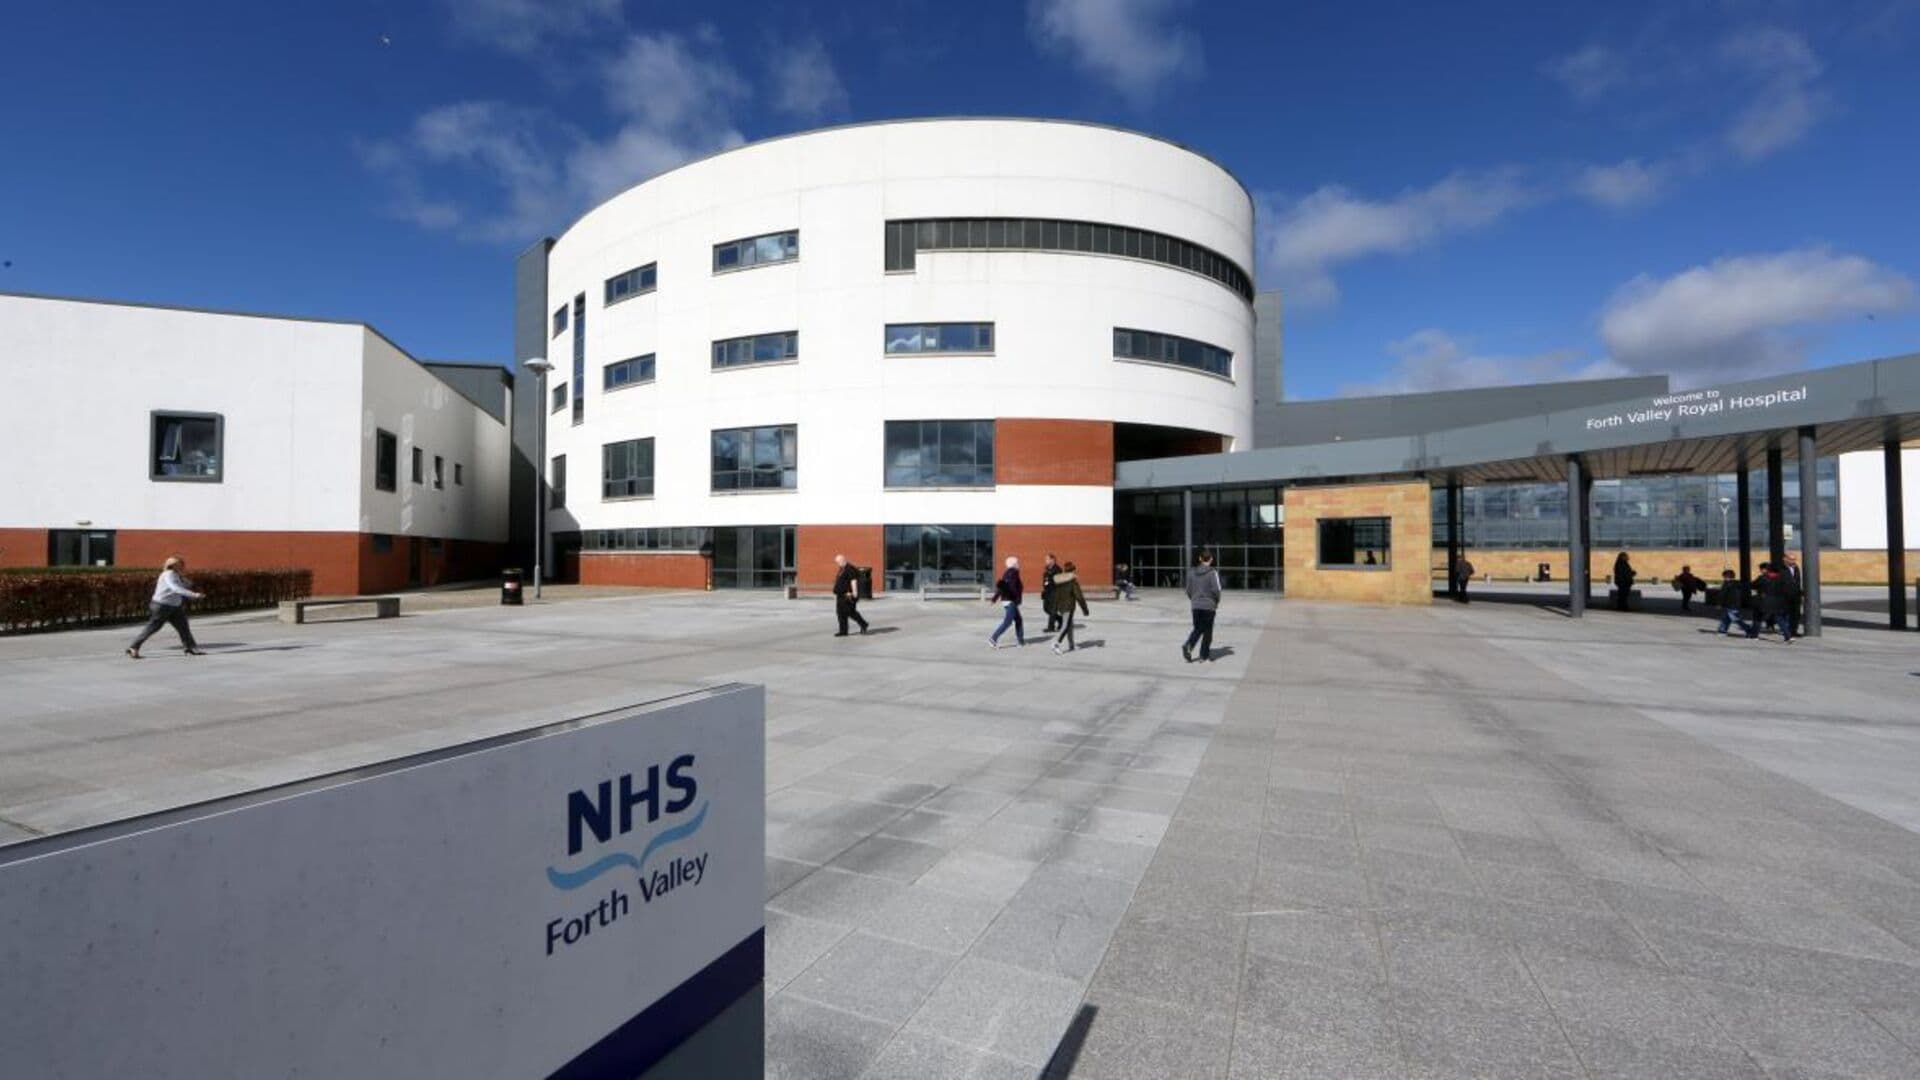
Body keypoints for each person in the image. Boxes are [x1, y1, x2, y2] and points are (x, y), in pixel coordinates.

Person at [126, 556, 205, 659]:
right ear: (173, 565)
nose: (183, 566)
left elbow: (188, 584)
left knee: (183, 627)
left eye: (182, 564)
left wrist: (183, 578)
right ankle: (133, 647)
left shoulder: (176, 575)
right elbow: (175, 588)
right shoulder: (168, 574)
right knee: (153, 627)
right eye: (180, 564)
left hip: (174, 606)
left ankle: (190, 648)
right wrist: (194, 595)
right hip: (162, 606)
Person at [1182, 550, 1222, 662]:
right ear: (1211, 559)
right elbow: (1217, 590)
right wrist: (1216, 602)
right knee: (1208, 631)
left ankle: (1189, 645)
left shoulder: (1191, 572)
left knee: (1198, 628)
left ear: (1200, 559)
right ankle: (1203, 655)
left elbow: (1188, 590)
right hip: (1209, 606)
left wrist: (1194, 600)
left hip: (1195, 606)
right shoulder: (1213, 572)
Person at [1049, 560, 1091, 654]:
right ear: (1073, 571)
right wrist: (1085, 610)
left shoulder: (1060, 581)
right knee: (1065, 626)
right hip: (1068, 607)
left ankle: (1071, 645)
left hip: (1061, 606)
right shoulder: (1072, 582)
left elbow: (1056, 596)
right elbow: (1079, 596)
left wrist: (1054, 608)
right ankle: (1056, 643)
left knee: (1070, 625)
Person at [1751, 562, 1794, 643]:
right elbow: (1786, 588)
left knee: (1758, 617)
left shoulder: (1762, 578)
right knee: (1780, 619)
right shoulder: (1781, 577)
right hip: (1777, 601)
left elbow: (1753, 585)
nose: (1761, 571)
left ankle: (1754, 635)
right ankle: (1788, 636)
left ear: (1765, 569)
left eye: (1761, 569)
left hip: (1764, 601)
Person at [988, 556, 1025, 648]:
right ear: (1013, 564)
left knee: (1018, 620)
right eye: (1017, 563)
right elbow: (1012, 587)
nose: (1018, 564)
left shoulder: (1006, 573)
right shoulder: (1014, 573)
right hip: (1010, 601)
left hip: (1007, 600)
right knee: (1008, 622)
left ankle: (1020, 641)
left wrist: (994, 599)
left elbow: (1001, 587)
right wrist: (1015, 598)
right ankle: (993, 638)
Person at [831, 553, 868, 637]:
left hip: (848, 595)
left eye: (838, 562)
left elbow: (853, 581)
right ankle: (843, 631)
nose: (838, 564)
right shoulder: (842, 569)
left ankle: (864, 624)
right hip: (840, 595)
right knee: (840, 613)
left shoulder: (850, 569)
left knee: (850, 612)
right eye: (837, 562)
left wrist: (854, 593)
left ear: (843, 560)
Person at [1714, 569, 1752, 636]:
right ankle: (1722, 630)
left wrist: (1719, 604)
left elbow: (1722, 595)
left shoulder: (1727, 584)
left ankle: (1748, 629)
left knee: (1735, 619)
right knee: (1726, 618)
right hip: (1734, 604)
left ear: (1727, 577)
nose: (1724, 578)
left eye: (1725, 577)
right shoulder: (1736, 584)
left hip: (1731, 604)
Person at [1782, 553, 1804, 637]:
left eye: (1794, 559)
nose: (1793, 561)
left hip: (1796, 595)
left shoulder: (1796, 568)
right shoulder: (1781, 569)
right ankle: (1787, 631)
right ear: (1785, 559)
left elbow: (1797, 582)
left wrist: (1801, 593)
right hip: (1785, 596)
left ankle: (1793, 631)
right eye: (1791, 559)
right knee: (1786, 614)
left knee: (1796, 614)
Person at [1041, 553, 1061, 633]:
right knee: (1046, 609)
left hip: (1055, 592)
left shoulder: (1057, 570)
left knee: (1052, 610)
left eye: (1047, 559)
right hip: (1047, 592)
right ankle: (1060, 619)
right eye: (1046, 559)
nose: (1046, 561)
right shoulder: (1047, 569)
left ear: (1052, 560)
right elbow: (1046, 580)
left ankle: (1051, 627)